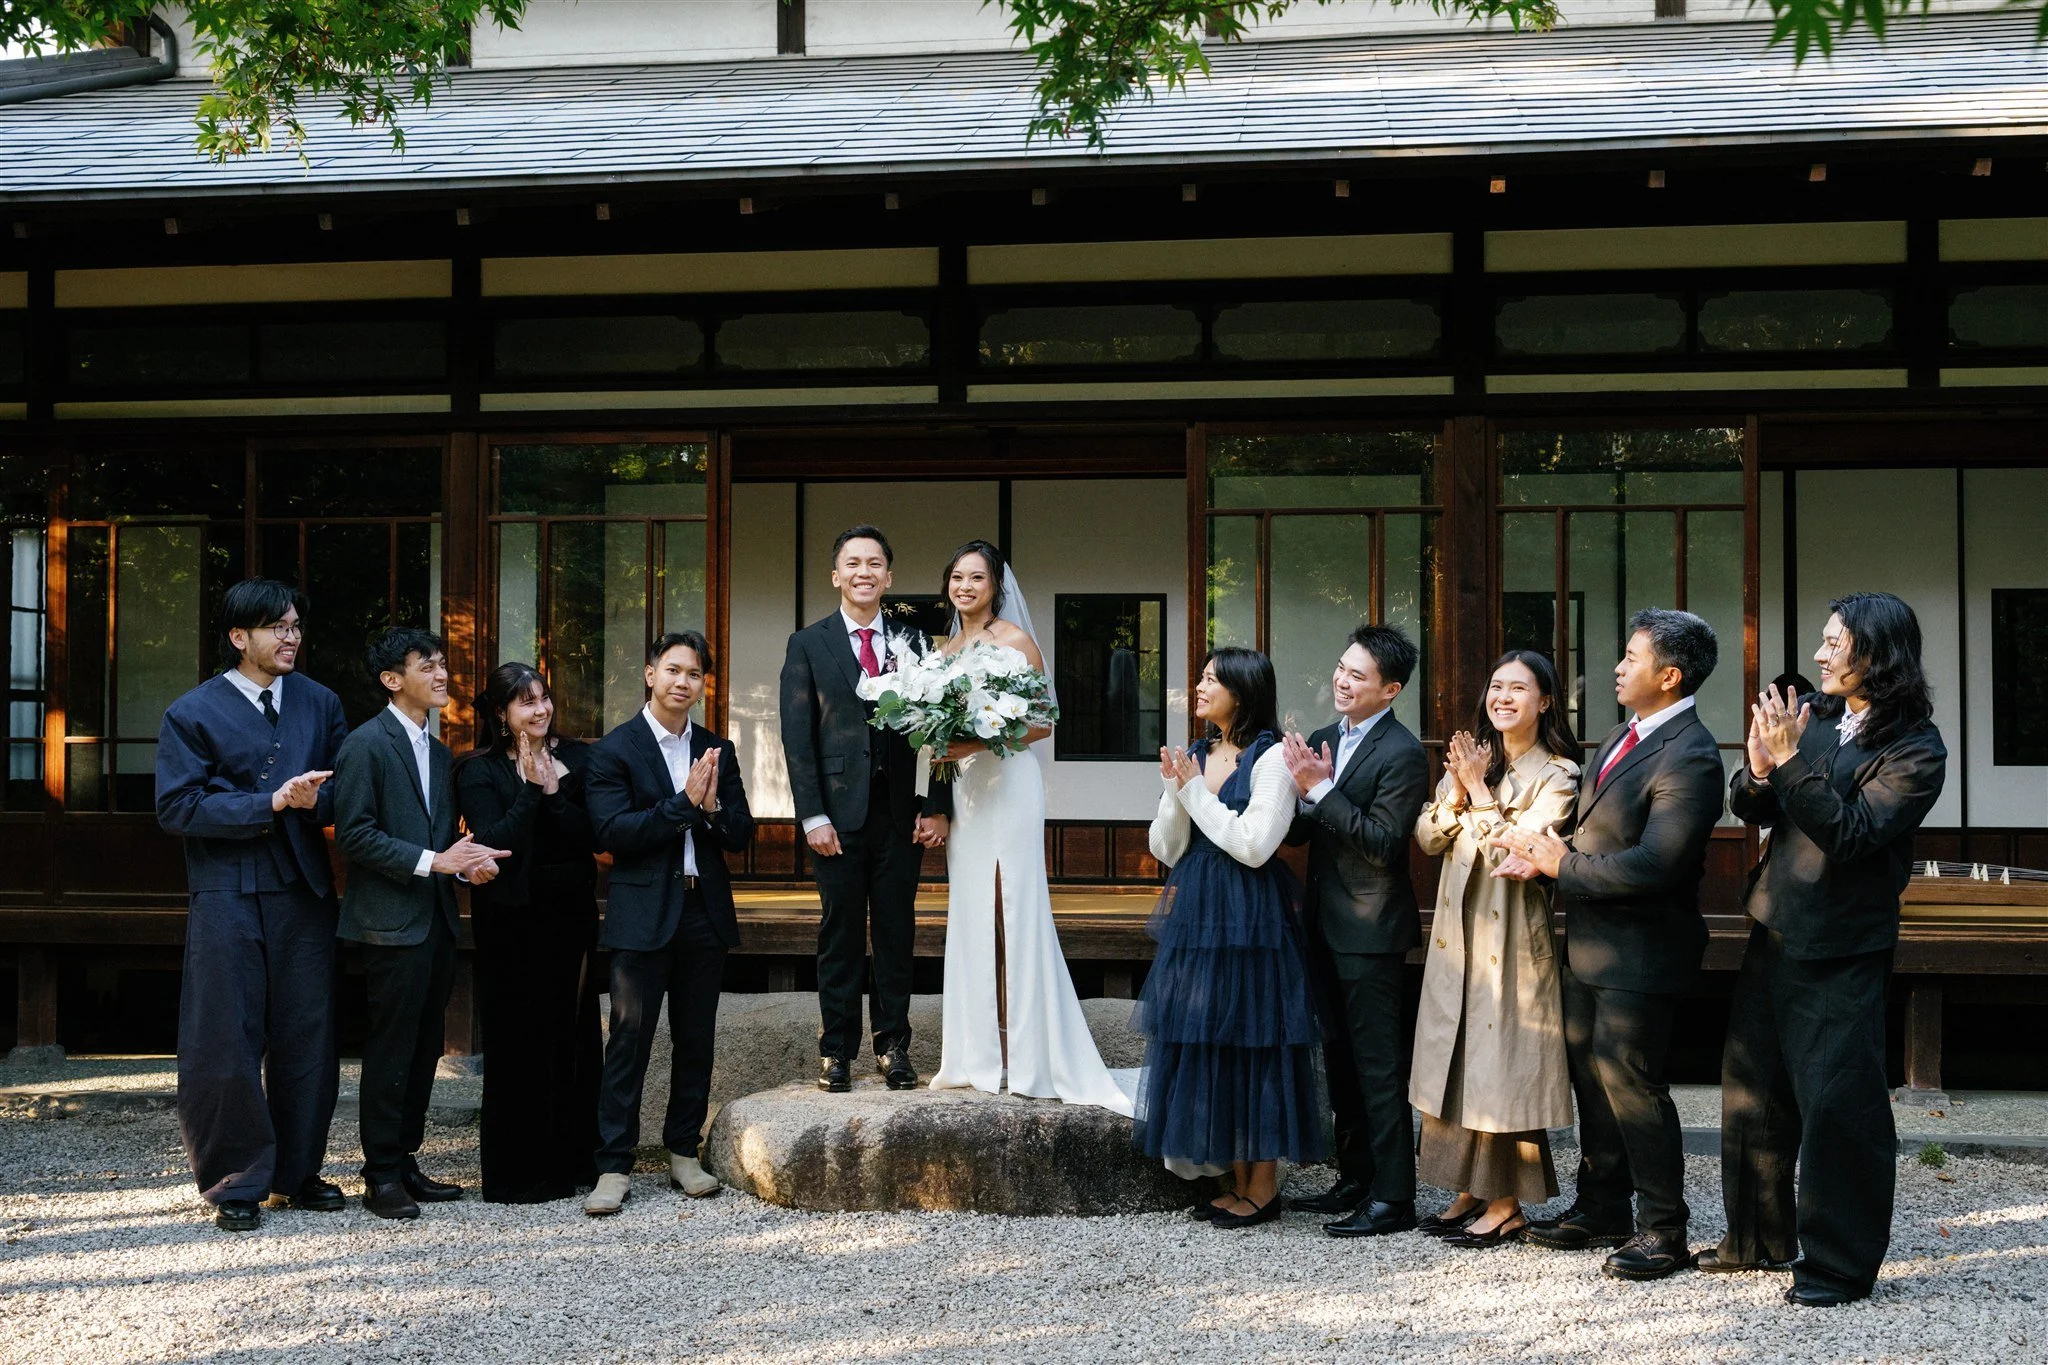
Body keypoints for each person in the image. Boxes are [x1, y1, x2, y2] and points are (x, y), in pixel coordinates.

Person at [1704, 592, 1946, 1307]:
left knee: (1839, 1106)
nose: (1819, 654)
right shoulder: (1819, 723)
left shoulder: (1915, 747)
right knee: (1754, 1093)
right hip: (1775, 924)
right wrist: (1757, 768)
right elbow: (1756, 805)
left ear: (1877, 653)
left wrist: (1787, 764)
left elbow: (1848, 833)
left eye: (1834, 643)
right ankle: (1755, 1238)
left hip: (1842, 944)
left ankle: (1838, 1264)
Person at [1502, 610, 1726, 1281]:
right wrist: (1548, 852)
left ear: (1670, 674)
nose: (1619, 667)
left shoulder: (1691, 752)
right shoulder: (1623, 736)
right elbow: (1601, 838)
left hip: (1644, 951)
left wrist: (1559, 866)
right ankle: (1602, 1204)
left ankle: (1664, 1227)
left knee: (1631, 1081)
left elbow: (1657, 862)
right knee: (1591, 1079)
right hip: (1592, 944)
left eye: (1632, 656)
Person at [154, 578, 349, 1233]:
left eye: (295, 624)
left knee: (307, 1034)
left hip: (302, 889)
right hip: (227, 889)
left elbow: (340, 791)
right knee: (224, 1036)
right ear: (240, 637)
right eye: (276, 627)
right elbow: (177, 807)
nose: (291, 636)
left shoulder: (320, 702)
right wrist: (268, 801)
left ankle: (299, 1171)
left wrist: (316, 797)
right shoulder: (192, 711)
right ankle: (236, 1180)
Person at [925, 541, 1130, 1113]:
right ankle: (975, 1053)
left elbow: (1042, 723)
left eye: (977, 578)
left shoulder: (1017, 643)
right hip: (968, 789)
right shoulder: (943, 653)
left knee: (1011, 902)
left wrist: (970, 738)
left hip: (1011, 784)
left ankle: (1029, 1049)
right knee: (971, 909)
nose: (965, 586)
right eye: (957, 576)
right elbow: (936, 741)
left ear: (996, 587)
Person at [1137, 647, 1326, 1229]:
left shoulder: (1269, 759)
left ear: (1241, 693)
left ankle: (1263, 1186)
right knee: (1210, 1036)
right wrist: (1175, 791)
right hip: (1196, 911)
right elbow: (1165, 848)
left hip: (1251, 917)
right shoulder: (1197, 753)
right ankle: (1234, 1179)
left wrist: (1194, 794)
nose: (1197, 686)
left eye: (1211, 679)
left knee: (1255, 1038)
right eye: (1200, 676)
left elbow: (1253, 845)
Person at [333, 628, 508, 1221]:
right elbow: (354, 834)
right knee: (391, 1048)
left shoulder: (437, 751)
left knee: (426, 1045)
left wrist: (464, 865)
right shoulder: (365, 745)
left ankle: (404, 1161)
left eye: (442, 665)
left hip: (434, 920)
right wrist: (438, 861)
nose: (442, 676)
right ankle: (379, 1173)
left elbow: (439, 844)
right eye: (426, 666)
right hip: (387, 924)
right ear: (391, 680)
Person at [1408, 651, 1578, 1248]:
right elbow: (1428, 837)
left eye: (1518, 688)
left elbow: (1519, 851)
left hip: (1507, 940)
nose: (1501, 697)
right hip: (1458, 939)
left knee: (1501, 1070)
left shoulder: (1558, 774)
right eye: (1495, 685)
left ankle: (1506, 1202)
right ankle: (1468, 1188)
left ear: (1546, 701)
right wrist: (1457, 792)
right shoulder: (1472, 761)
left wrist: (1475, 792)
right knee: (1453, 1063)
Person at [583, 631, 755, 1217]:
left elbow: (741, 834)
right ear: (651, 674)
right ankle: (613, 1164)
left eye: (695, 675)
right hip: (642, 911)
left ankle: (684, 1150)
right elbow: (613, 834)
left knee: (696, 1038)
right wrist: (683, 804)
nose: (684, 682)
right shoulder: (614, 750)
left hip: (702, 910)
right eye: (673, 670)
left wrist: (709, 810)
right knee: (629, 1037)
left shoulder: (716, 748)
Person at [779, 525, 952, 1094]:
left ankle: (894, 1046)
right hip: (835, 816)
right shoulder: (808, 643)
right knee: (841, 932)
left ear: (889, 577)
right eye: (852, 563)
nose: (864, 572)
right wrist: (812, 816)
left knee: (898, 932)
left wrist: (937, 804)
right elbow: (797, 738)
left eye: (874, 563)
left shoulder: (915, 642)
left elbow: (945, 731)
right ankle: (836, 1052)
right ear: (836, 576)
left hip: (901, 815)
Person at [1280, 623, 1432, 1238]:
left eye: (1358, 675)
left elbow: (1384, 845)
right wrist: (1290, 794)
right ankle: (1355, 1176)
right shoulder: (1322, 739)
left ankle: (1394, 1197)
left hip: (1372, 930)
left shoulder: (1402, 753)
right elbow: (1300, 834)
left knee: (1377, 1065)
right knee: (1338, 1061)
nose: (1342, 681)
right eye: (1341, 668)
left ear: (1389, 689)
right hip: (1321, 921)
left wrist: (1322, 788)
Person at [454, 662, 603, 1205]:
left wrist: (557, 793)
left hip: (570, 913)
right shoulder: (477, 770)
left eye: (544, 698)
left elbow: (591, 834)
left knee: (574, 1033)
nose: (541, 709)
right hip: (512, 919)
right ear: (500, 713)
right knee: (519, 1039)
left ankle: (576, 1160)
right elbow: (495, 842)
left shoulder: (579, 759)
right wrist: (530, 789)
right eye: (525, 702)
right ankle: (518, 1172)